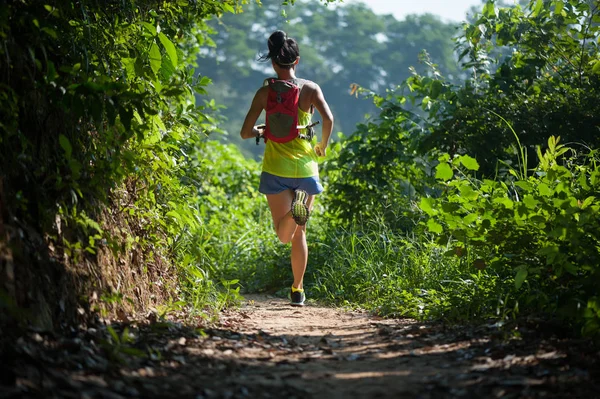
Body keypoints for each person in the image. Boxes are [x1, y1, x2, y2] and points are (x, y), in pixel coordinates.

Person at [240, 30, 334, 307]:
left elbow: (245, 132)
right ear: (297, 61)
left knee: (284, 236)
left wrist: (264, 130)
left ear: (272, 63)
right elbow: (328, 120)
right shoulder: (311, 89)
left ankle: (294, 214)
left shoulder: (264, 92)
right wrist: (322, 146)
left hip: (276, 168)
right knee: (300, 233)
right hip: (306, 169)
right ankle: (298, 289)